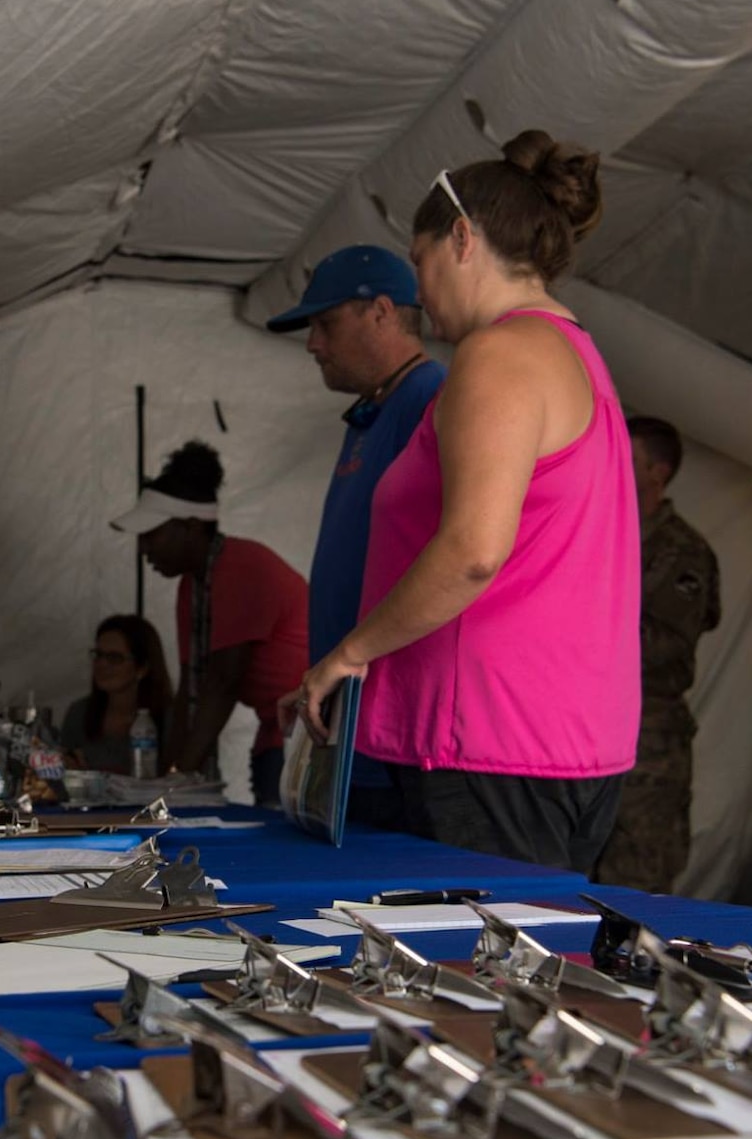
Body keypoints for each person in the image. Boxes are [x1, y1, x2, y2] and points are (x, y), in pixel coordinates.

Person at [288, 129, 641, 871]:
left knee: (473, 973)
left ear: (460, 238)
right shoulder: (577, 352)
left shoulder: (501, 352)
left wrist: (347, 656)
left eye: (418, 263)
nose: (418, 291)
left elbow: (475, 550)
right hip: (564, 735)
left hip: (487, 738)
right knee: (529, 965)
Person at [266, 245, 446, 829]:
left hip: (400, 734)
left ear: (382, 312)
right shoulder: (373, 410)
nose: (313, 343)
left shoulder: (429, 399)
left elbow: (450, 557)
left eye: (325, 323)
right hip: (349, 723)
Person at [111, 442, 309, 806]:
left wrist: (172, 786)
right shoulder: (194, 585)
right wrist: (166, 777)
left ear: (189, 527)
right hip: (279, 733)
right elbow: (191, 687)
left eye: (151, 534)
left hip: (308, 738)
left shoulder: (240, 568)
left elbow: (221, 684)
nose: (143, 549)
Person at [595, 416, 720, 893]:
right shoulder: (602, 534)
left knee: (633, 884)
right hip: (594, 731)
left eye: (626, 460)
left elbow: (664, 644)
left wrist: (582, 635)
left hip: (648, 743)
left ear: (658, 472)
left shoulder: (681, 551)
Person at [59, 614, 172, 774]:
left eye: (114, 658)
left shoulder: (169, 719)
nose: (102, 664)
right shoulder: (79, 713)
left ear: (142, 668)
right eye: (98, 655)